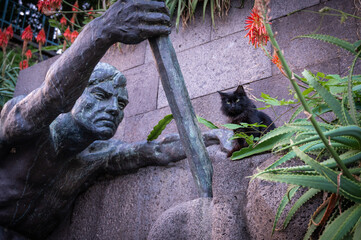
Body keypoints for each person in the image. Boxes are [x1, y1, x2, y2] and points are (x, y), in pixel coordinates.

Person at [0, 0, 232, 239]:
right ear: (77, 92)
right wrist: (103, 30)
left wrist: (211, 137)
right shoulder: (23, 125)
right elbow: (50, 97)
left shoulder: (97, 156)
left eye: (121, 104)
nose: (113, 109)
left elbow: (155, 150)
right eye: (101, 95)